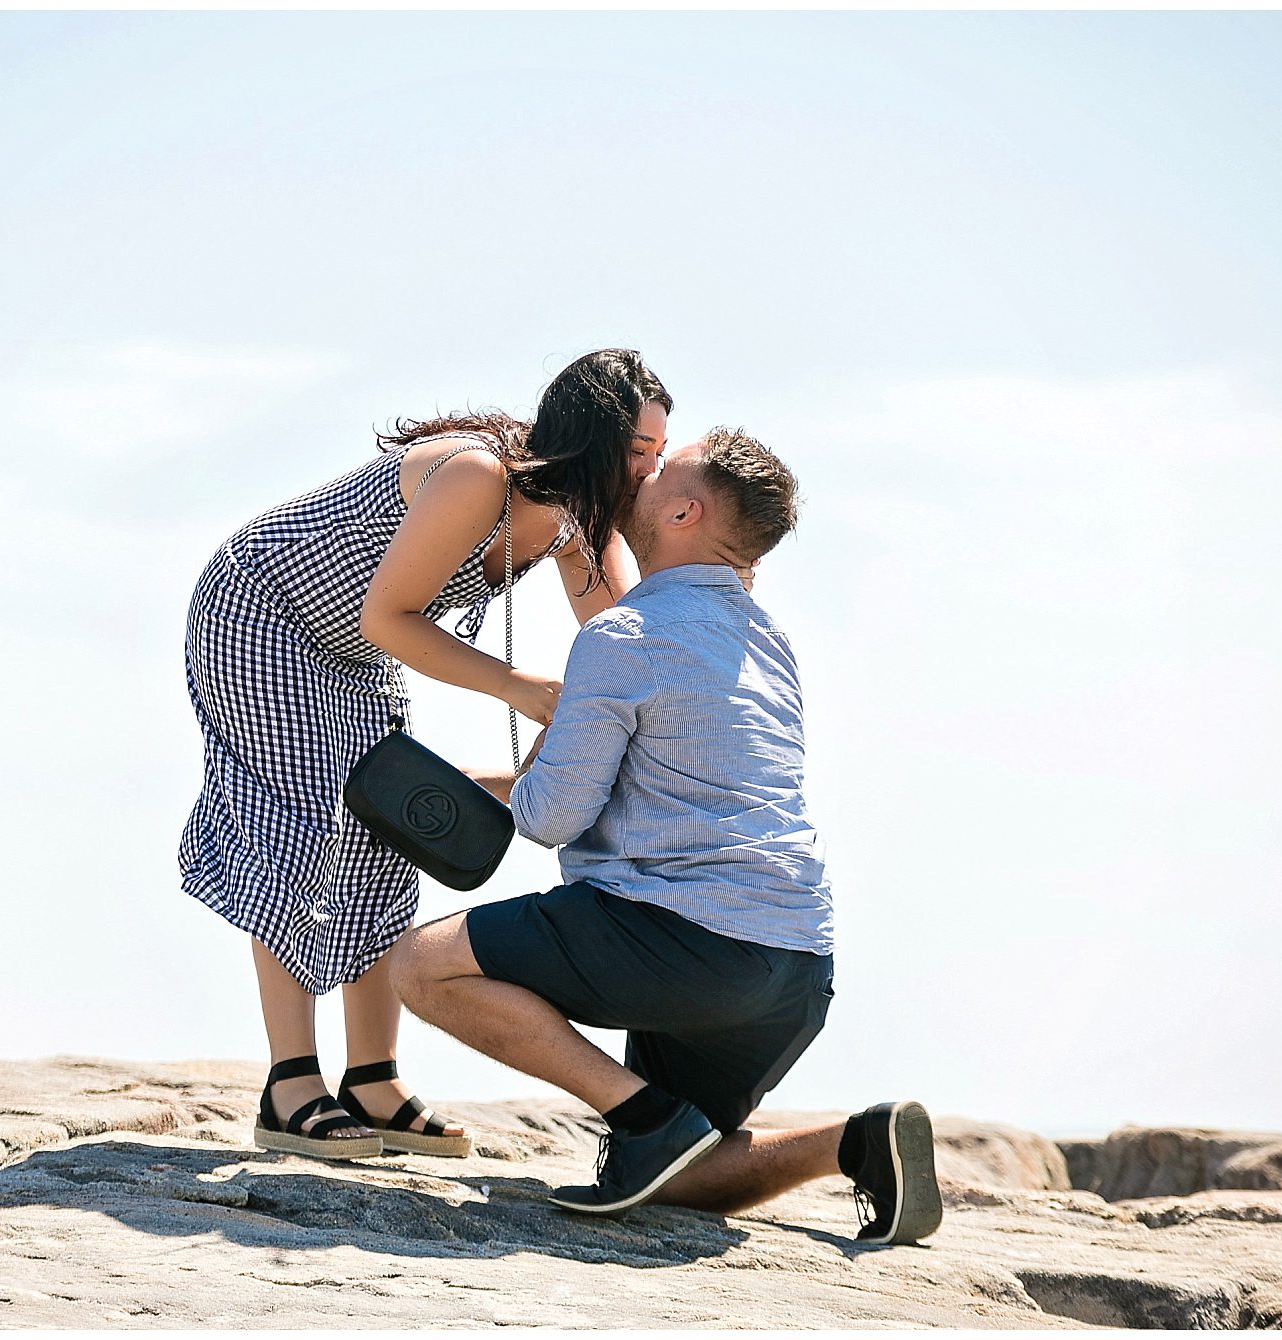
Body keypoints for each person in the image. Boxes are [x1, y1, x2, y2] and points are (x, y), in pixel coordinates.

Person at [389, 427, 941, 1244]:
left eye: (658, 472)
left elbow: (548, 819)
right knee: (675, 1177)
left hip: (686, 941)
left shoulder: (624, 636)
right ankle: (855, 1143)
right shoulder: (768, 640)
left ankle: (644, 1116)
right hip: (794, 967)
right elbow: (661, 787)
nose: (638, 474)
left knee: (422, 965)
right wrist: (483, 783)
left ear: (684, 512)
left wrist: (529, 768)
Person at [179, 350, 673, 1161]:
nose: (649, 472)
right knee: (302, 823)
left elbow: (625, 634)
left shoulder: (578, 519)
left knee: (391, 821)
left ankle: (372, 1080)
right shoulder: (479, 477)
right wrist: (517, 687)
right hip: (261, 613)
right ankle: (290, 1084)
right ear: (591, 438)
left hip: (353, 649)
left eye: (659, 455)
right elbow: (389, 617)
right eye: (637, 453)